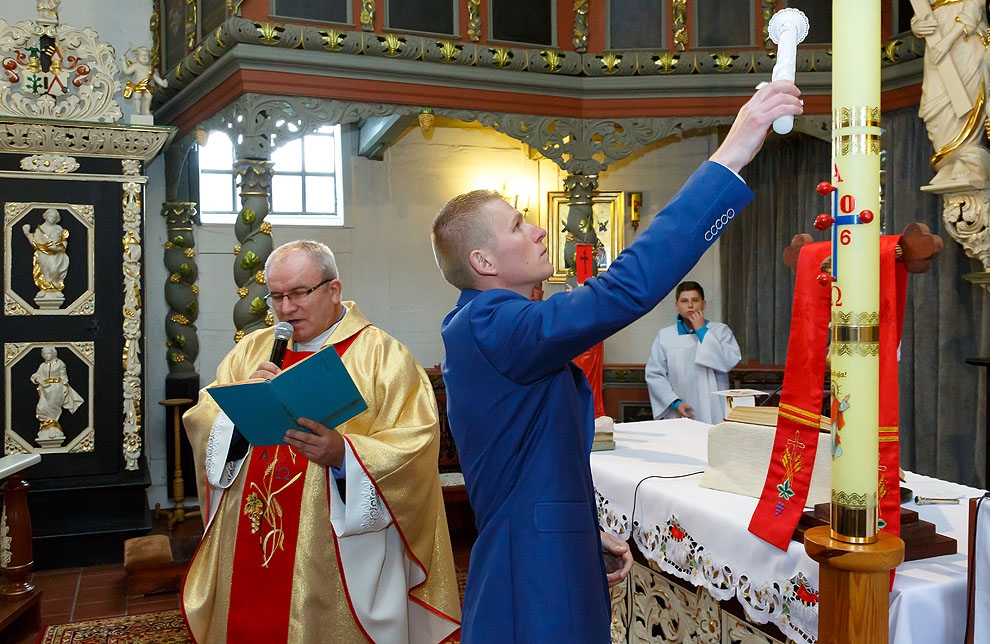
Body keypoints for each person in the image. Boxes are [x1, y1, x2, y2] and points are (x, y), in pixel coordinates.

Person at [431, 79, 802, 642]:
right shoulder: (494, 323)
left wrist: (579, 528)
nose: (536, 228)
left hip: (544, 545)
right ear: (483, 260)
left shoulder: (479, 324)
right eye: (516, 225)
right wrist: (731, 155)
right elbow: (624, 290)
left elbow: (531, 456)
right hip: (531, 571)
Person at [182, 240, 460, 644]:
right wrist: (236, 414)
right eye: (276, 296)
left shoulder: (382, 356)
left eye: (298, 293)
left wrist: (344, 454)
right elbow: (204, 414)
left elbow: (414, 444)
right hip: (250, 531)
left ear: (333, 290)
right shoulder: (252, 351)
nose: (285, 308)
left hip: (333, 550)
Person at [911, 0, 990, 188]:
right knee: (934, 104)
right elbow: (920, 4)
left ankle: (968, 163)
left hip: (963, 36)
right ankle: (948, 162)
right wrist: (916, 25)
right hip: (935, 34)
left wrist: (950, 39)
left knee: (963, 99)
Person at [645, 281, 741, 424]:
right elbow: (654, 374)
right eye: (684, 301)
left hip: (715, 407)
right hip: (681, 408)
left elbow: (728, 362)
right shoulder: (665, 336)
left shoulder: (721, 331)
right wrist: (674, 403)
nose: (690, 305)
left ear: (703, 304)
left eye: (695, 300)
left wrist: (702, 331)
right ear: (677, 305)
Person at [30, 346, 82, 441]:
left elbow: (64, 377)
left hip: (56, 388)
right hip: (44, 389)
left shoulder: (60, 364)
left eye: (48, 353)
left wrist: (64, 387)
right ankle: (46, 426)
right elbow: (36, 375)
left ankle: (53, 427)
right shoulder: (43, 365)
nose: (46, 356)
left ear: (53, 353)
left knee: (53, 406)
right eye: (44, 354)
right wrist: (39, 380)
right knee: (41, 407)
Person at [23, 208, 69, 293]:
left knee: (54, 269)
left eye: (55, 217)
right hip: (44, 254)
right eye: (51, 216)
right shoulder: (40, 229)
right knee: (46, 270)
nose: (53, 218)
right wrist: (27, 234)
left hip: (56, 254)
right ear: (45, 216)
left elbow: (64, 242)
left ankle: (54, 284)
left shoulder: (58, 228)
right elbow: (35, 243)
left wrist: (58, 248)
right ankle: (47, 285)